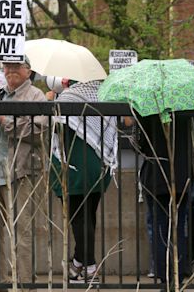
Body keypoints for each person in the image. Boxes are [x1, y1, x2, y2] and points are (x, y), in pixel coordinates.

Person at [0, 58, 48, 286]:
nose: (11, 70)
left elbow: (39, 130)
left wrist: (5, 120)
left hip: (20, 173)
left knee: (22, 233)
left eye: (17, 66)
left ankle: (23, 283)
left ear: (28, 70)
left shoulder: (36, 96)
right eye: (7, 67)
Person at [49, 80, 118, 283]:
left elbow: (57, 131)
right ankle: (79, 263)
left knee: (78, 219)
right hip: (98, 165)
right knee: (88, 217)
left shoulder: (68, 98)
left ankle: (90, 268)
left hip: (74, 167)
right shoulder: (104, 95)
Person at [137, 112, 193, 286]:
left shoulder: (147, 109)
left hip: (156, 175)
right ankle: (178, 276)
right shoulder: (186, 107)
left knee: (159, 227)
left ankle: (164, 277)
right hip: (181, 174)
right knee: (179, 227)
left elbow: (140, 144)